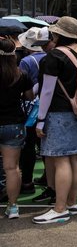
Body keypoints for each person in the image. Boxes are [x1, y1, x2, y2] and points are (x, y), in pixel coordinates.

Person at [33, 17, 77, 224]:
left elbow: (47, 91)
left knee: (61, 160)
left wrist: (40, 120)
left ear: (57, 35)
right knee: (76, 158)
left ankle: (59, 208)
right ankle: (72, 203)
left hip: (59, 113)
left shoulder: (54, 56)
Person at [0, 39, 35, 219]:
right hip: (14, 123)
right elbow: (30, 97)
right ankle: (13, 206)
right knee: (12, 168)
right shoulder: (20, 75)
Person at [17, 27, 50, 195]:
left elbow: (25, 88)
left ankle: (27, 182)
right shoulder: (49, 57)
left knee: (29, 145)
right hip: (48, 105)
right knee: (45, 144)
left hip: (30, 108)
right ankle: (48, 177)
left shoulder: (26, 61)